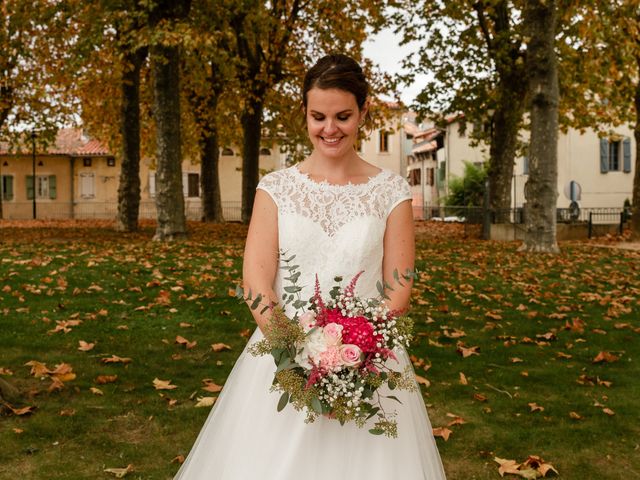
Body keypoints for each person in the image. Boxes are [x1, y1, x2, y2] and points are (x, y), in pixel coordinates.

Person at [173, 53, 447, 480]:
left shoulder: (391, 190)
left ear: (363, 112)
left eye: (343, 116)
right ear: (304, 112)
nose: (330, 128)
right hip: (281, 356)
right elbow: (256, 279)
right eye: (318, 116)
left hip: (367, 359)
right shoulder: (276, 189)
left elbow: (400, 285)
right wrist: (297, 356)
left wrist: (357, 360)